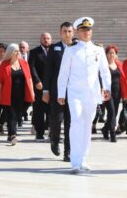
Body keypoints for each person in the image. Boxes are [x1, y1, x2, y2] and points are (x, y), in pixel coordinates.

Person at [57, 17, 111, 173]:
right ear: (78, 32)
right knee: (76, 122)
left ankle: (83, 159)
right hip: (75, 93)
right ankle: (75, 161)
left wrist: (106, 88)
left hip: (92, 93)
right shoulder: (71, 49)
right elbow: (63, 73)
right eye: (84, 30)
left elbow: (105, 71)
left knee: (87, 126)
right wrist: (61, 93)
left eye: (89, 30)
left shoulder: (98, 49)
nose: (87, 32)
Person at [43, 22, 73, 160]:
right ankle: (54, 140)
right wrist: (46, 91)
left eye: (69, 31)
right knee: (57, 119)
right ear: (60, 33)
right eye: (65, 31)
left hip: (73, 91)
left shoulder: (77, 47)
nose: (67, 34)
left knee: (70, 122)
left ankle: (68, 152)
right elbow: (48, 71)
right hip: (57, 91)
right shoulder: (54, 48)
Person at [0, 44, 35, 145]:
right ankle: (13, 135)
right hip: (8, 94)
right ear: (10, 52)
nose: (18, 53)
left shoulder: (24, 63)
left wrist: (32, 92)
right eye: (15, 51)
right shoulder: (4, 64)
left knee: (17, 114)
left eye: (18, 51)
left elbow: (29, 78)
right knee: (12, 115)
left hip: (23, 94)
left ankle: (10, 133)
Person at [28, 32, 52, 140]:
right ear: (40, 39)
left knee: (52, 110)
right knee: (39, 110)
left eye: (48, 38)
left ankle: (52, 131)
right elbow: (31, 67)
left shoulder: (55, 51)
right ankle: (40, 132)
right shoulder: (34, 52)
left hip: (52, 85)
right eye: (44, 38)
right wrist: (37, 81)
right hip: (39, 86)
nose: (46, 40)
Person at [101, 45, 124, 142]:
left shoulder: (119, 64)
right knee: (111, 111)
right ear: (106, 54)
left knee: (114, 113)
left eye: (113, 53)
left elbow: (123, 79)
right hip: (107, 92)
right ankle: (112, 133)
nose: (111, 55)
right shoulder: (103, 65)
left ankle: (105, 129)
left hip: (117, 92)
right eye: (109, 53)